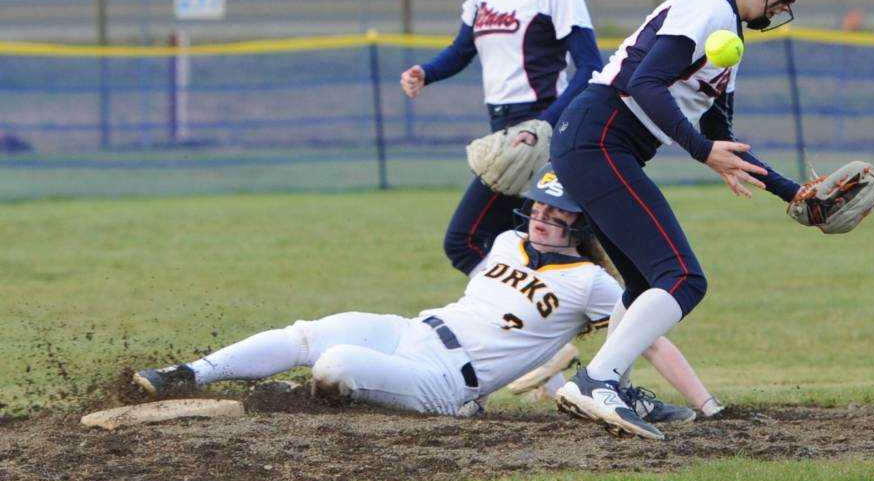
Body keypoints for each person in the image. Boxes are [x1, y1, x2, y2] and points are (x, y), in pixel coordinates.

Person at [133, 166, 716, 426]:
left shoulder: (591, 282)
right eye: (540, 205)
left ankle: (312, 397)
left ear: (582, 222)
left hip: (447, 382)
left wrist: (704, 403)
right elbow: (459, 238)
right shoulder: (507, 240)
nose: (543, 216)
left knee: (335, 366)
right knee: (307, 335)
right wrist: (487, 181)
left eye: (557, 211)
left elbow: (649, 336)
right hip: (410, 330)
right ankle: (186, 374)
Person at [549, 0, 818, 439]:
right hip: (599, 136)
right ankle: (597, 381)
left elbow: (720, 135)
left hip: (597, 141)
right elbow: (643, 82)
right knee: (683, 279)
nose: (783, 5)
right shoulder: (711, 7)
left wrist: (794, 192)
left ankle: (614, 386)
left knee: (647, 283)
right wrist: (701, 151)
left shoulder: (728, 30)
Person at [400, 0, 603, 276]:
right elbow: (461, 50)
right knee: (521, 244)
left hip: (540, 125)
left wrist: (542, 127)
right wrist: (426, 72)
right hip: (505, 129)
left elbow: (590, 66)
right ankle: (544, 326)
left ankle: (505, 314)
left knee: (465, 241)